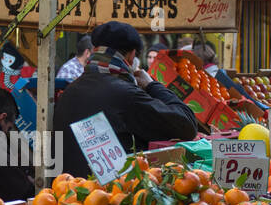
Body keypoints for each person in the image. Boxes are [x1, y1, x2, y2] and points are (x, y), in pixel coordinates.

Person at [52, 21, 197, 177]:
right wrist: (151, 85)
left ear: (94, 51)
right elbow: (187, 125)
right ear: (131, 55)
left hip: (67, 192)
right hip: (109, 196)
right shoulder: (126, 95)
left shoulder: (69, 92)